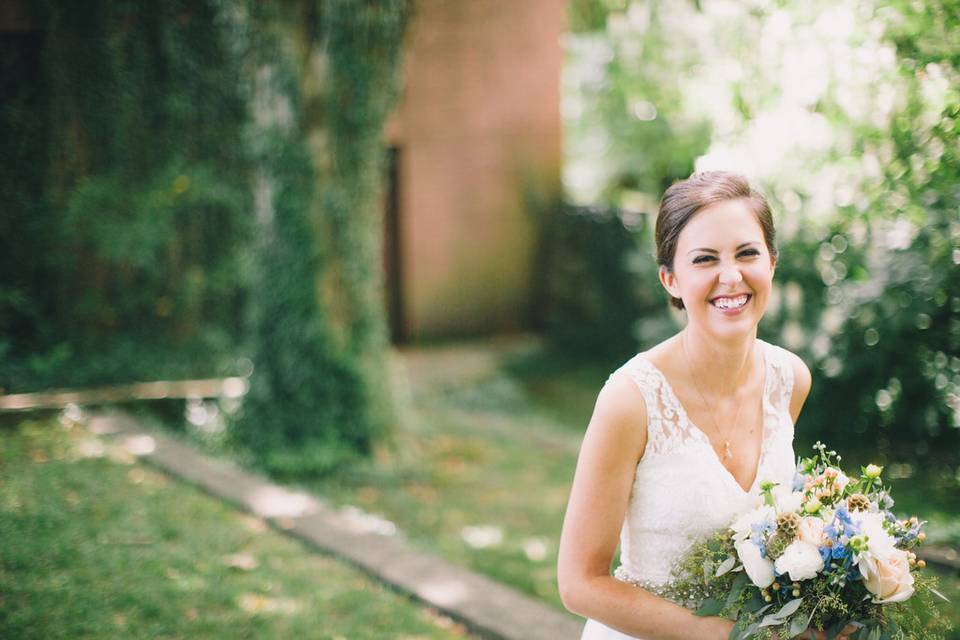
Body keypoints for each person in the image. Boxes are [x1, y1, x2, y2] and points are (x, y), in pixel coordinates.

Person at [557, 172, 855, 639]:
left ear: (772, 263)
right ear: (671, 280)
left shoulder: (790, 380)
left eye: (747, 253)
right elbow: (579, 584)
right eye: (705, 259)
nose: (731, 276)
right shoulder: (631, 398)